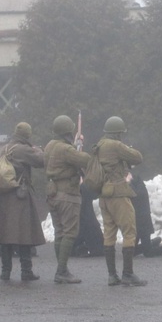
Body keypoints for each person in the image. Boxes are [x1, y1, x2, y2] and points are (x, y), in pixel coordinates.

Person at [0, 122, 45, 281]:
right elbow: (41, 161)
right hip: (19, 195)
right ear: (27, 135)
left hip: (4, 195)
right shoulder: (23, 149)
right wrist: (39, 150)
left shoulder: (6, 148)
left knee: (5, 235)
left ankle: (5, 272)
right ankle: (26, 270)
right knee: (24, 234)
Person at [95, 116, 146, 286]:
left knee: (109, 233)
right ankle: (128, 274)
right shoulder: (116, 145)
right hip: (118, 194)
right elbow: (138, 158)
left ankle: (112, 275)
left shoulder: (100, 145)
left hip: (104, 195)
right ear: (118, 133)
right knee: (129, 232)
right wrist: (127, 148)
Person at [44, 115, 91, 283]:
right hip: (68, 194)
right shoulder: (65, 149)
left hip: (53, 193)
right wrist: (80, 147)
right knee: (70, 233)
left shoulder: (50, 146)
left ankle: (61, 269)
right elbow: (85, 159)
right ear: (68, 131)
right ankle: (62, 271)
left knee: (60, 233)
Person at [129, 171, 162, 257]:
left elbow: (137, 195)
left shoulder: (137, 181)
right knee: (130, 251)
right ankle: (154, 242)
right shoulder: (123, 182)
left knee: (148, 252)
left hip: (142, 220)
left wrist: (128, 183)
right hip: (132, 221)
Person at [72, 182, 105, 258]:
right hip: (87, 216)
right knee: (89, 227)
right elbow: (94, 195)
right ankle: (92, 247)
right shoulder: (84, 187)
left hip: (81, 214)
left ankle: (77, 247)